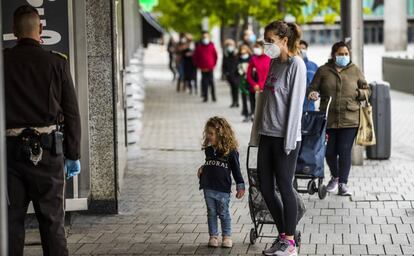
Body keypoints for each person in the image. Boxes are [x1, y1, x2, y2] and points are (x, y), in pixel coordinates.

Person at [4, 5, 81, 256]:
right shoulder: (57, 63)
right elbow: (71, 112)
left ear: (14, 31)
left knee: (10, 223)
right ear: (42, 30)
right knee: (52, 223)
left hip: (8, 155)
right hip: (48, 153)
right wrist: (73, 154)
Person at [257, 21, 306, 256]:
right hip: (267, 135)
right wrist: (257, 134)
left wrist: (288, 142)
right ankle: (284, 235)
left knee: (285, 187)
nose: (267, 45)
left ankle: (290, 244)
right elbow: (267, 102)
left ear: (284, 40)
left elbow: (295, 107)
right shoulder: (274, 63)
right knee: (266, 188)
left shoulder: (297, 65)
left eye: (270, 40)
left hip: (285, 139)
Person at [308, 41, 370, 196]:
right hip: (329, 118)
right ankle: (335, 177)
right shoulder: (323, 70)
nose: (344, 56)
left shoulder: (355, 70)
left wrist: (358, 94)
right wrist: (312, 94)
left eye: (346, 54)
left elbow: (367, 90)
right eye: (340, 54)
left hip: (350, 119)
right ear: (333, 55)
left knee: (344, 151)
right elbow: (312, 87)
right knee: (329, 152)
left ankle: (343, 183)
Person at [197, 116, 245, 248]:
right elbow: (210, 164)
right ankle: (213, 236)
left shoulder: (231, 152)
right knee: (211, 212)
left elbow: (236, 170)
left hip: (223, 189)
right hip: (208, 186)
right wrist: (202, 168)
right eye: (207, 133)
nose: (208, 136)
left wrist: (240, 186)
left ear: (221, 134)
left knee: (224, 213)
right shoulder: (208, 150)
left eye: (211, 134)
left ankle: (226, 236)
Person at [246, 41, 271, 119]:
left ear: (264, 48)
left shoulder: (270, 59)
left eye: (258, 47)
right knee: (254, 106)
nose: (256, 49)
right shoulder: (253, 59)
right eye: (255, 47)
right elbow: (248, 75)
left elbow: (271, 75)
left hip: (266, 87)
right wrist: (254, 84)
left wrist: (261, 85)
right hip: (254, 88)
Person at [193, 31, 218, 102]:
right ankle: (205, 96)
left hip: (210, 67)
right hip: (203, 68)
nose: (205, 38)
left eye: (206, 37)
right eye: (204, 37)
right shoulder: (199, 47)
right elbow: (195, 57)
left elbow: (215, 56)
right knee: (204, 82)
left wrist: (213, 65)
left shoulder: (212, 46)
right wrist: (198, 66)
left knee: (211, 82)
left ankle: (213, 96)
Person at [299, 40, 318, 112]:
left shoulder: (313, 66)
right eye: (299, 48)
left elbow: (318, 84)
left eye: (303, 48)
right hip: (294, 106)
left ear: (306, 50)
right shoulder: (291, 65)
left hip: (309, 106)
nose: (301, 50)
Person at [222, 39, 239, 107]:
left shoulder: (237, 53)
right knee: (232, 88)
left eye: (231, 45)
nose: (230, 46)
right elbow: (223, 65)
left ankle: (236, 101)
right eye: (228, 45)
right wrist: (225, 73)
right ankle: (233, 102)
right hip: (229, 74)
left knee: (236, 88)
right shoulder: (226, 54)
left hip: (236, 74)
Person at [237, 44, 252, 122]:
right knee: (244, 98)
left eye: (244, 49)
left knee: (251, 99)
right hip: (242, 80)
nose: (243, 51)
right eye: (242, 49)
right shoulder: (238, 59)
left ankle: (252, 113)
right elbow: (235, 70)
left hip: (250, 81)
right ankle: (246, 114)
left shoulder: (251, 58)